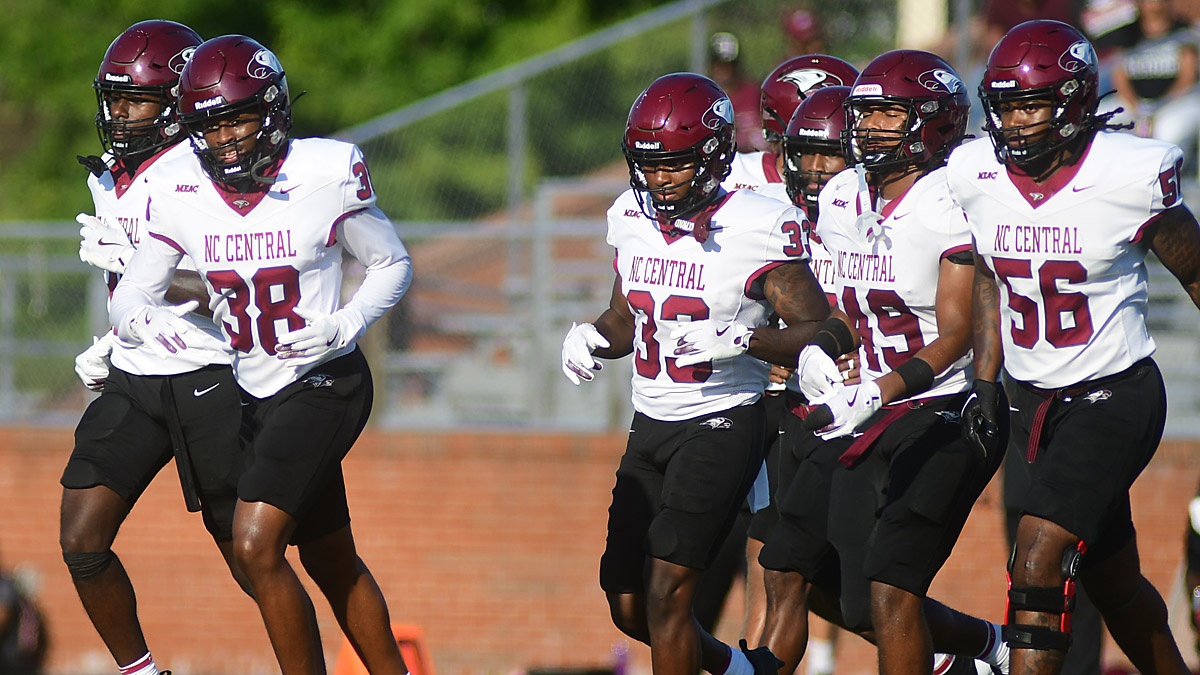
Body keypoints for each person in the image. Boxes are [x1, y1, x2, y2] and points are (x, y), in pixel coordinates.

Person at [108, 35, 412, 675]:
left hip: (326, 378)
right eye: (213, 125)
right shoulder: (179, 191)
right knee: (331, 558)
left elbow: (391, 263)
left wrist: (347, 321)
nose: (230, 140)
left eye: (240, 117)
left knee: (254, 545)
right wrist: (141, 321)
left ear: (272, 110)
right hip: (256, 393)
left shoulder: (322, 173)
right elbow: (134, 288)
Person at [559, 71, 833, 675]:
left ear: (712, 156)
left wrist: (744, 338)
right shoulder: (630, 217)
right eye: (648, 165)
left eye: (674, 166)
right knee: (629, 605)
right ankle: (738, 670)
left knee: (667, 596)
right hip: (649, 421)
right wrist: (592, 338)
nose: (659, 181)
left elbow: (825, 330)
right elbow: (624, 317)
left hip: (721, 421)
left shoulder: (758, 223)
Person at [949, 19, 1200, 675]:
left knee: (1036, 554)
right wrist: (983, 377)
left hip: (1114, 394)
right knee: (1113, 584)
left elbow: (1197, 273)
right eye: (1004, 104)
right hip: (1032, 404)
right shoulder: (978, 172)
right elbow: (985, 269)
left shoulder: (1126, 172)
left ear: (1074, 101)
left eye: (1030, 102)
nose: (1015, 121)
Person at [771, 50, 1009, 675]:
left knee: (889, 587)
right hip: (872, 409)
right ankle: (976, 656)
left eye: (886, 115)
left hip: (944, 406)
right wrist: (822, 347)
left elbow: (957, 332)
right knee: (853, 601)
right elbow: (852, 309)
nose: (869, 129)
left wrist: (878, 389)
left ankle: (989, 649)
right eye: (865, 115)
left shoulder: (948, 198)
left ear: (934, 121)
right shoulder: (845, 195)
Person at [61, 21, 250, 675]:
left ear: (175, 104)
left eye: (135, 99)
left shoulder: (209, 169)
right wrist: (113, 341)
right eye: (114, 99)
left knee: (253, 558)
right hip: (140, 376)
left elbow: (240, 281)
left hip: (212, 373)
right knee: (83, 538)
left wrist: (151, 266)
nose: (119, 114)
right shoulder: (114, 175)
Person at [725, 55, 859, 196]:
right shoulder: (734, 173)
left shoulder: (860, 189)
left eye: (832, 153)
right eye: (809, 151)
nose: (816, 166)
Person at [1110, 0, 1200, 157]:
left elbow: (1187, 78)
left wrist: (1156, 108)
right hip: (1136, 104)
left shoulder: (1183, 31)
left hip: (1176, 101)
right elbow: (1119, 76)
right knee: (1105, 121)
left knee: (1167, 129)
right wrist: (1138, 109)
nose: (1154, 5)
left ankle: (1168, 175)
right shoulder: (1129, 35)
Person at [709, 32, 767, 154]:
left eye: (729, 65)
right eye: (719, 65)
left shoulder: (754, 92)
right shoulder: (707, 98)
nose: (724, 71)